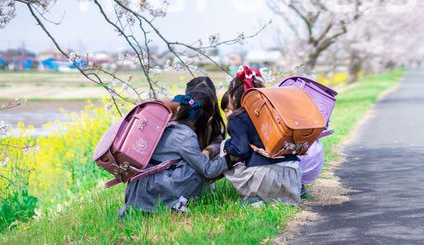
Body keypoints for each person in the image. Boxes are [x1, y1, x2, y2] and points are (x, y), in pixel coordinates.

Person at [121, 87, 227, 216]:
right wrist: (229, 158)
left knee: (192, 161)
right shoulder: (185, 136)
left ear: (179, 108)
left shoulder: (167, 125)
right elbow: (207, 170)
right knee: (195, 167)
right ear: (209, 119)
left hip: (137, 189)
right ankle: (175, 206)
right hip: (152, 191)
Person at [222, 66, 302, 206]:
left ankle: (255, 198)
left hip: (265, 176)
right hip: (293, 173)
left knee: (225, 148)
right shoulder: (276, 110)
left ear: (235, 96)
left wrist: (226, 145)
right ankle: (289, 195)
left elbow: (241, 150)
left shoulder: (238, 117)